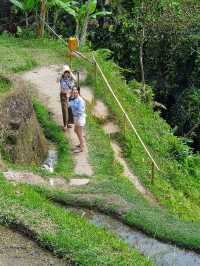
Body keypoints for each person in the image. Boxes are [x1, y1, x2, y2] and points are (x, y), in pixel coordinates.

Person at [69, 87, 86, 153]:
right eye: (73, 91)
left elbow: (80, 111)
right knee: (76, 130)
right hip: (76, 118)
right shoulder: (74, 99)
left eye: (75, 91)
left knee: (79, 133)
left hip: (80, 118)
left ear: (78, 92)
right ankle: (81, 144)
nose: (74, 92)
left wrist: (77, 119)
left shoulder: (80, 100)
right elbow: (69, 105)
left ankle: (81, 148)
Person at [59, 65, 76, 131]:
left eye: (67, 72)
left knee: (70, 110)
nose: (66, 73)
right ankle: (65, 125)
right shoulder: (61, 78)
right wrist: (62, 72)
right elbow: (57, 80)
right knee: (64, 110)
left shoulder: (71, 77)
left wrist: (70, 72)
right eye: (65, 72)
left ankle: (69, 123)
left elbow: (75, 79)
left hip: (71, 95)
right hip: (63, 95)